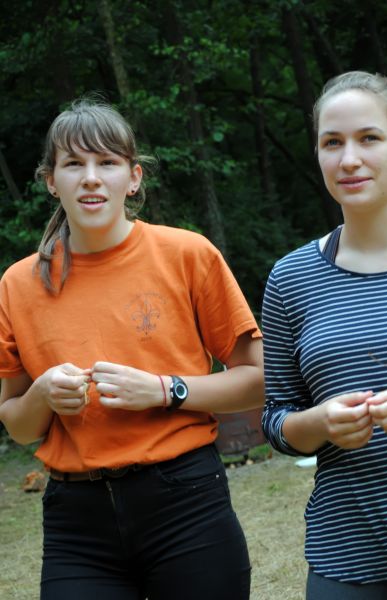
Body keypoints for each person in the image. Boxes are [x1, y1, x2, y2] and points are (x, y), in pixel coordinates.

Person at [0, 97, 264, 600]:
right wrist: (42, 395)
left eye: (108, 163)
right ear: (51, 180)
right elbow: (18, 423)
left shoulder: (188, 254)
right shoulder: (16, 285)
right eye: (73, 164)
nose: (91, 178)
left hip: (187, 504)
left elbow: (257, 380)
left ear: (134, 177)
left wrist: (166, 389)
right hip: (77, 524)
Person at [262, 71, 387, 600]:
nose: (348, 159)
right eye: (331, 142)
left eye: (369, 138)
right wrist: (317, 423)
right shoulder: (292, 279)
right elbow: (276, 419)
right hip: (348, 558)